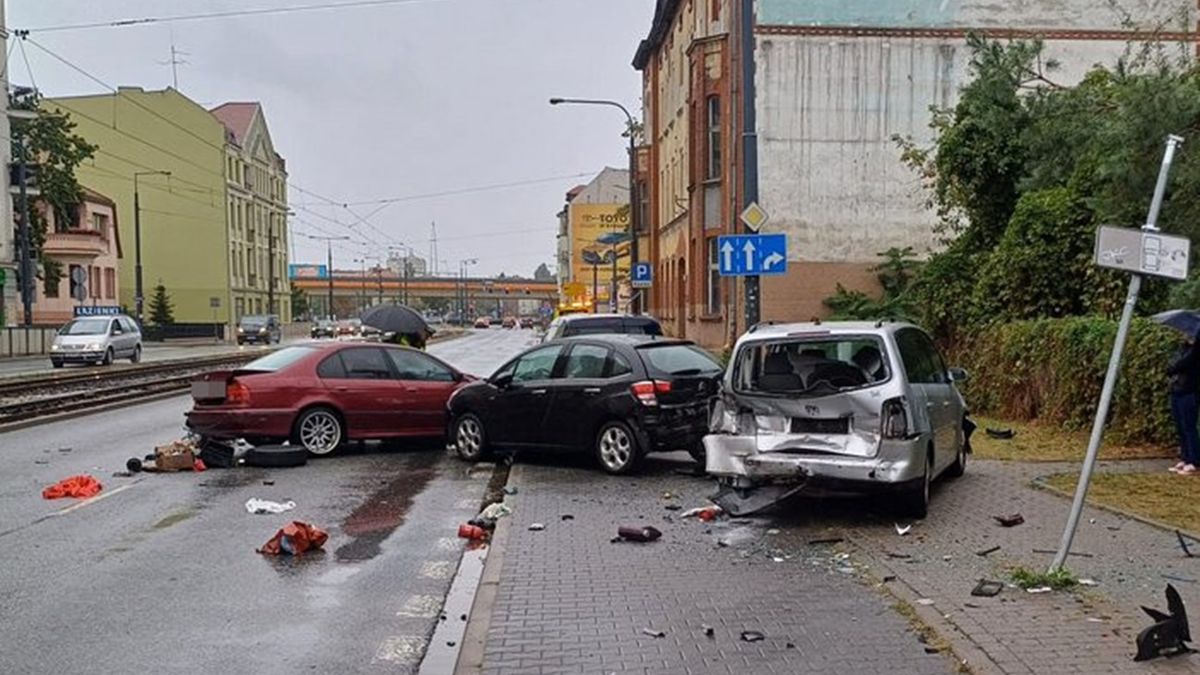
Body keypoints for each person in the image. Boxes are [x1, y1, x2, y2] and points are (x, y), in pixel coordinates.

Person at [1167, 331, 1200, 474]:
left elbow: (1182, 364)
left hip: (1190, 391)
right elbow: (1171, 364)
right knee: (1180, 427)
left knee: (1189, 427)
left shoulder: (1196, 351)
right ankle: (1185, 457)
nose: (1185, 335)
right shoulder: (1183, 348)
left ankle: (1194, 460)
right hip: (1177, 389)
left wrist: (1175, 366)